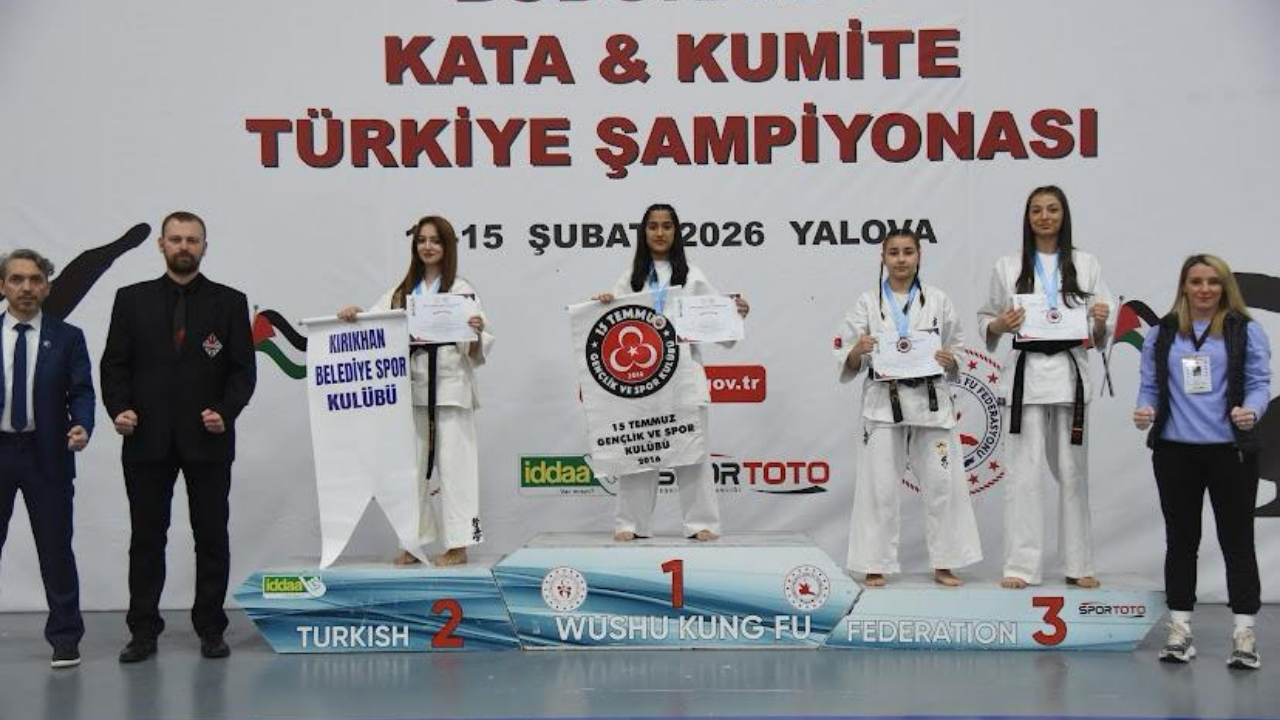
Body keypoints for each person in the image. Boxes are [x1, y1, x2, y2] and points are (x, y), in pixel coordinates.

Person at [100, 211, 256, 662]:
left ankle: (211, 628)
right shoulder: (131, 299)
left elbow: (243, 371)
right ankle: (143, 631)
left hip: (208, 438)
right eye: (175, 239)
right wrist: (119, 408)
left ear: (205, 246)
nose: (183, 246)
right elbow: (114, 364)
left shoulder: (230, 302)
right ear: (161, 245)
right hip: (145, 438)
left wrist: (225, 412)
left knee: (211, 537)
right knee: (147, 539)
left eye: (192, 239)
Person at [1133, 254, 1268, 670]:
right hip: (1175, 452)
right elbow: (1150, 385)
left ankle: (1244, 633)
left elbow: (1260, 383)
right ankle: (1180, 629)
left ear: (1224, 286)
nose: (1205, 289)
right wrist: (1145, 410)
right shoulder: (1163, 332)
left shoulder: (1245, 330)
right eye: (1196, 281)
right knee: (1181, 541)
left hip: (1231, 453)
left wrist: (1252, 410)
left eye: (1213, 281)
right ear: (1184, 286)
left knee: (1237, 541)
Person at [977, 185, 1112, 589]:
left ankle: (1079, 563)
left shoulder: (1086, 264)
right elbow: (987, 320)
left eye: (1052, 209)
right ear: (1028, 217)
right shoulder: (1008, 265)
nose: (1045, 217)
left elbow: (1099, 330)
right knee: (1023, 475)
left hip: (1070, 377)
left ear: (1063, 215)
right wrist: (1001, 324)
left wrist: (1100, 319)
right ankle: (1021, 566)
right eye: (1036, 210)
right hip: (1027, 377)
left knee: (1073, 473)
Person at [338, 215, 492, 567]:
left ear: (447, 246)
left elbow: (478, 345)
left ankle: (459, 544)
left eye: (435, 240)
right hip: (411, 392)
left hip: (451, 391)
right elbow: (374, 324)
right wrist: (355, 314)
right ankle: (413, 542)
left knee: (457, 471)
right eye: (422, 240)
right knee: (410, 473)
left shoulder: (461, 290)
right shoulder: (402, 290)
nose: (427, 246)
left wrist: (475, 331)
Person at [834, 229, 982, 587]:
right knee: (879, 487)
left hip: (931, 403)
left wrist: (951, 360)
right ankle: (874, 562)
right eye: (894, 252)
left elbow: (958, 348)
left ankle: (946, 561)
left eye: (908, 252)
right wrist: (857, 350)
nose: (901, 259)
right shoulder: (868, 303)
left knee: (943, 485)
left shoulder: (939, 300)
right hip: (884, 404)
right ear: (883, 258)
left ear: (919, 256)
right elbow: (847, 356)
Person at [594, 203, 749, 542]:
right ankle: (631, 523)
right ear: (644, 232)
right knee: (639, 448)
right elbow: (609, 324)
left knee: (693, 452)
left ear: (676, 232)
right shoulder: (630, 278)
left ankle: (702, 522)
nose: (660, 232)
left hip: (684, 378)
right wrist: (604, 303)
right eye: (653, 226)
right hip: (641, 379)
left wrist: (735, 314)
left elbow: (721, 329)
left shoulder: (692, 276)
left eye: (667, 226)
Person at [0, 249, 94, 668]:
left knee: (56, 549)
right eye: (17, 279)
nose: (26, 287)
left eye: (35, 280)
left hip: (48, 454)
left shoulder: (68, 337)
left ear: (48, 287)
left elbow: (81, 391)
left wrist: (83, 425)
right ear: (2, 286)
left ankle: (65, 637)